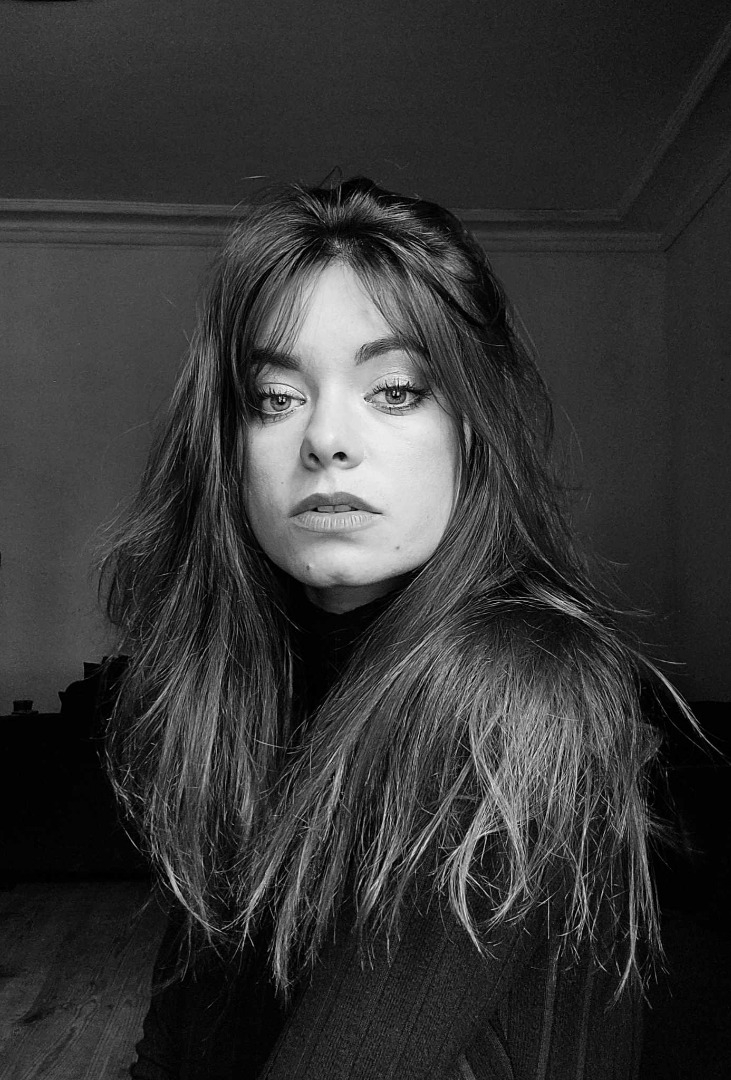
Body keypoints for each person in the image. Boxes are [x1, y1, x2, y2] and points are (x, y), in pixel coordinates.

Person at [102, 177, 680, 1079]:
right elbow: (178, 1037)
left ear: (473, 428)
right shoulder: (238, 692)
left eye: (396, 389)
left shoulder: (514, 692)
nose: (326, 439)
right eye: (275, 397)